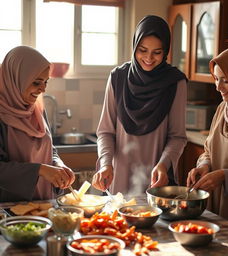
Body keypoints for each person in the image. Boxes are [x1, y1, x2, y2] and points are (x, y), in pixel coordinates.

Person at [92, 15, 187, 195]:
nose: (149, 58)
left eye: (157, 52)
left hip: (157, 179)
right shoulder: (117, 78)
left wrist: (164, 165)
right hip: (118, 176)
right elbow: (105, 131)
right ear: (134, 46)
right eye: (142, 50)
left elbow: (177, 137)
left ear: (165, 51)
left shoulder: (175, 82)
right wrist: (106, 163)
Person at [186, 46, 228, 231]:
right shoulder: (223, 108)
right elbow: (209, 149)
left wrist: (226, 176)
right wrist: (204, 165)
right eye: (216, 79)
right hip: (215, 211)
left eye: (226, 81)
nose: (218, 87)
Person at [0, 46, 75, 202]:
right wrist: (40, 170)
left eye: (46, 82)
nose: (42, 89)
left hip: (43, 205)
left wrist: (58, 165)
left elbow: (50, 149)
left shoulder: (36, 109)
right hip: (9, 210)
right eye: (36, 82)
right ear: (15, 79)